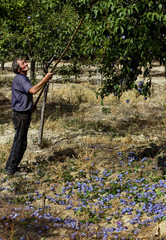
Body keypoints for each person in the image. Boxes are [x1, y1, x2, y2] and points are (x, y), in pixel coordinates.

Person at [4, 57, 53, 176]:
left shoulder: (21, 78)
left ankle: (9, 167)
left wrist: (29, 106)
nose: (26, 64)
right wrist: (45, 79)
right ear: (19, 68)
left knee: (18, 141)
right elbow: (33, 90)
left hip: (22, 113)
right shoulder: (20, 79)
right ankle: (11, 170)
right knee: (20, 143)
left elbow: (23, 96)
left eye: (25, 62)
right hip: (21, 116)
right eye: (23, 63)